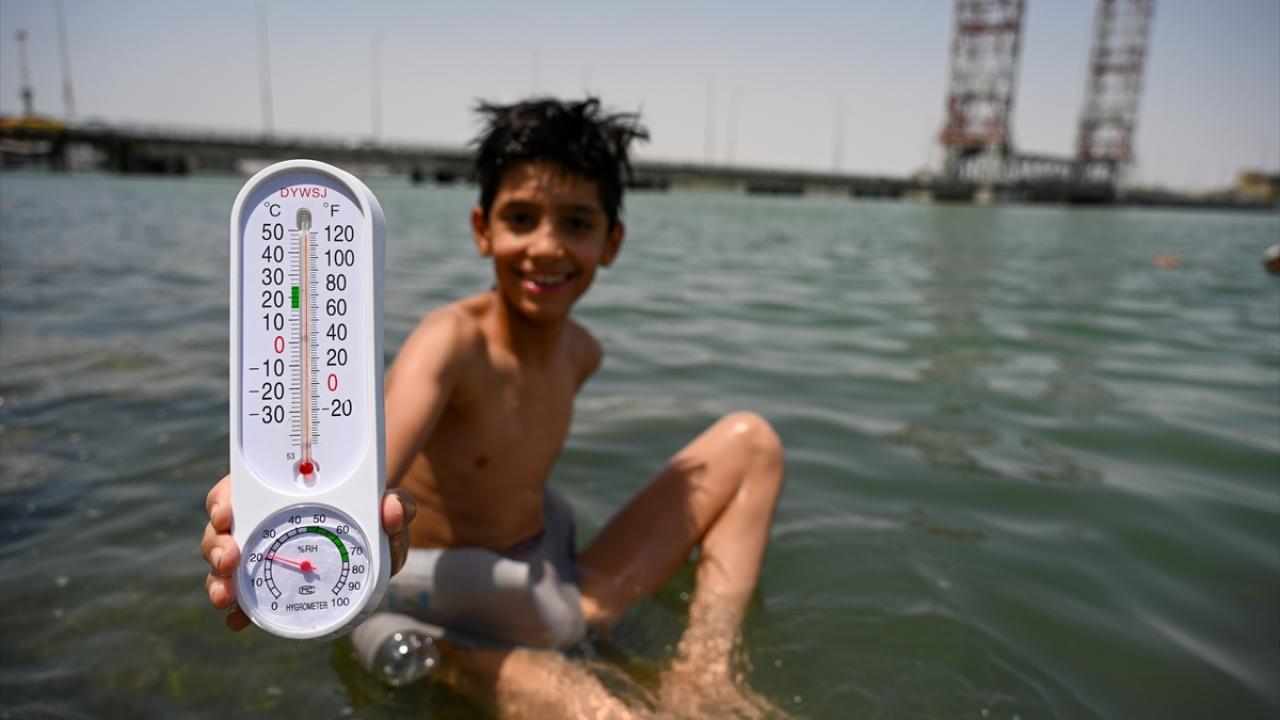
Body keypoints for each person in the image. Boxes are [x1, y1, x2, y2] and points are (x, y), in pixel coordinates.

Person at [201, 97, 787, 719]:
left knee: (753, 444)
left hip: (541, 579)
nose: (547, 247)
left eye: (577, 223)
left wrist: (697, 670)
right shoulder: (450, 342)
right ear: (483, 230)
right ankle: (459, 663)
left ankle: (704, 673)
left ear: (611, 242)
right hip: (441, 600)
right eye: (522, 218)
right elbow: (360, 470)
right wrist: (266, 511)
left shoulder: (582, 352)